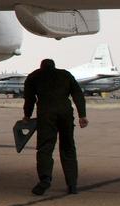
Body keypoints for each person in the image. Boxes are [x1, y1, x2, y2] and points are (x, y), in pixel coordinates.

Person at [21, 58, 88, 195]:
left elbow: (30, 99)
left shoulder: (34, 76)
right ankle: (72, 184)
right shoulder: (65, 75)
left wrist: (27, 116)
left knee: (45, 148)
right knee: (68, 147)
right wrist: (82, 115)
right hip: (65, 113)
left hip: (46, 114)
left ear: (41, 67)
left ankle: (45, 179)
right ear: (54, 66)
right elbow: (77, 94)